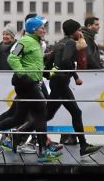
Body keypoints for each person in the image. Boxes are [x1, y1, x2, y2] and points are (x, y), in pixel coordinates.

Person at [0, 16, 59, 162]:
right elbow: (12, 58)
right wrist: (23, 74)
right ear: (33, 29)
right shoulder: (25, 41)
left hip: (31, 82)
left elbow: (33, 62)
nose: (44, 30)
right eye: (41, 27)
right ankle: (44, 151)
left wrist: (46, 71)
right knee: (42, 113)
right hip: (26, 83)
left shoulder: (37, 42)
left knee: (18, 117)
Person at [39, 19, 100, 156]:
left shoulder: (60, 43)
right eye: (78, 30)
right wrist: (75, 76)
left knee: (48, 115)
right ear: (73, 32)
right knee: (75, 112)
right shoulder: (71, 43)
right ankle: (83, 146)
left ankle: (20, 134)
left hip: (58, 83)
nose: (80, 32)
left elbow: (49, 62)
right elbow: (66, 61)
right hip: (61, 84)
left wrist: (48, 76)